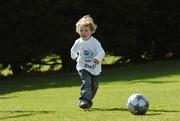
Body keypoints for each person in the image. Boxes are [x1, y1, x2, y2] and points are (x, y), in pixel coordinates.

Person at [70, 15, 105, 109]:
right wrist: (74, 56)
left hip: (94, 68)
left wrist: (98, 58)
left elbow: (101, 52)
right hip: (82, 66)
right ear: (78, 31)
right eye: (81, 30)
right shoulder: (78, 42)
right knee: (87, 82)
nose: (83, 32)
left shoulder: (95, 42)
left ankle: (88, 101)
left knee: (94, 85)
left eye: (86, 30)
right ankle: (84, 100)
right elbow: (73, 50)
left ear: (91, 31)